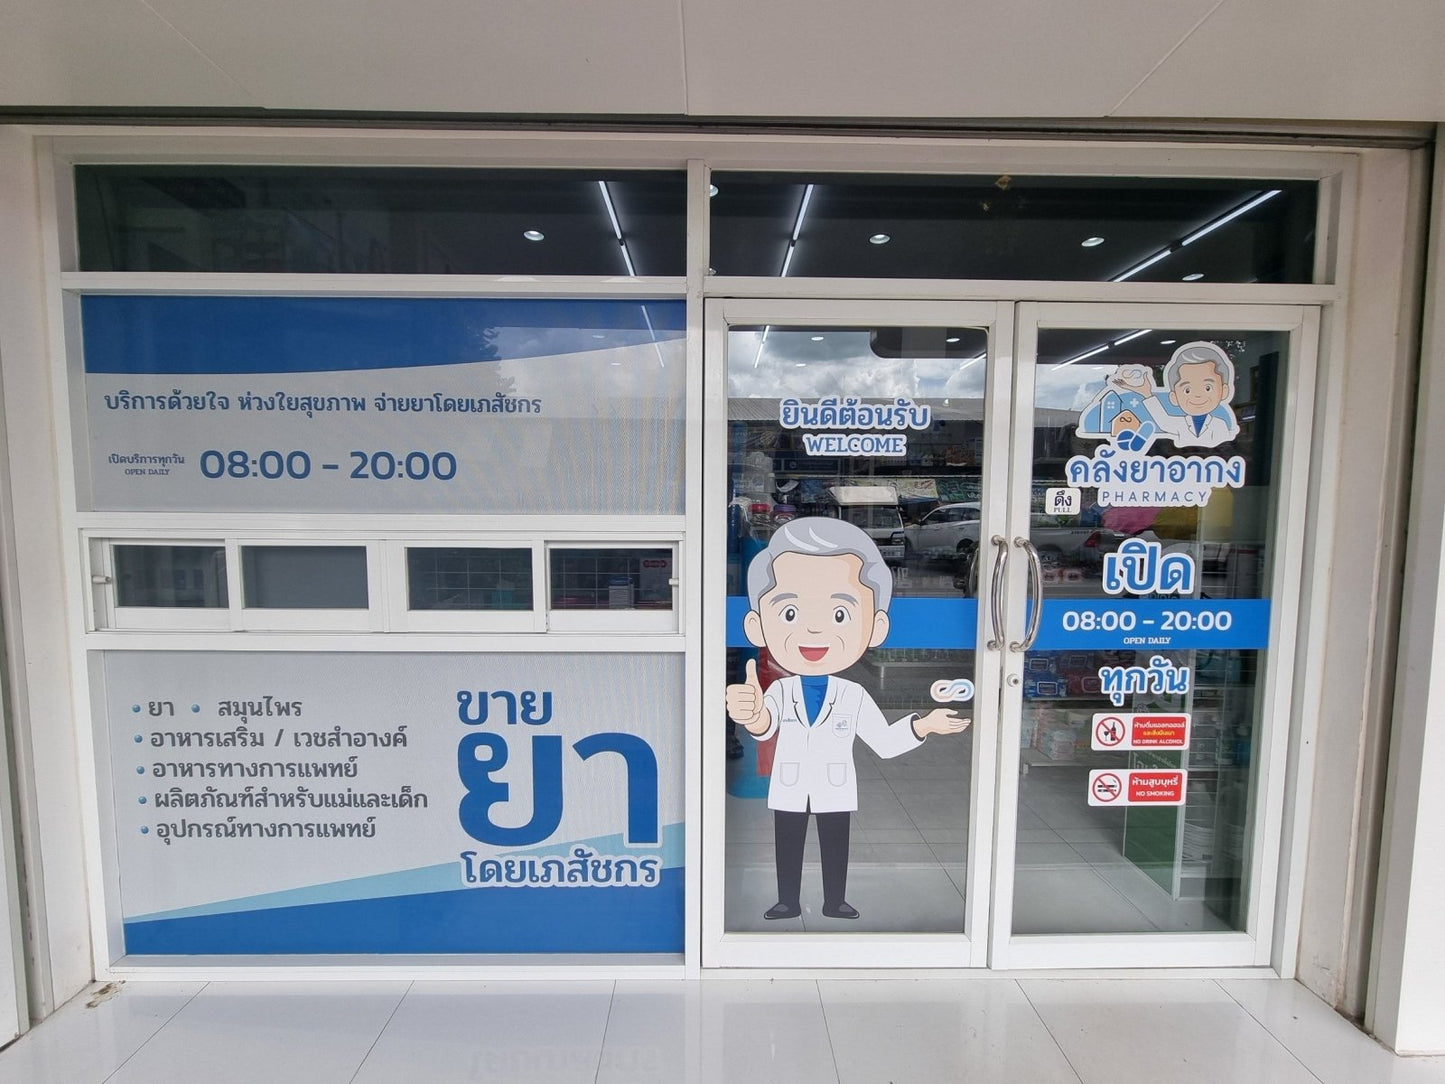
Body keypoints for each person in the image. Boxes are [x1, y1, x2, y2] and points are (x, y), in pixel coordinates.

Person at [725, 517, 968, 921]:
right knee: (788, 842)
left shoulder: (852, 695)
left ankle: (834, 901)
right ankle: (787, 901)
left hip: (834, 786)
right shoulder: (781, 690)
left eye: (840, 614)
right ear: (757, 624)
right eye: (790, 613)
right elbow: (765, 725)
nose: (814, 628)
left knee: (836, 844)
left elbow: (884, 742)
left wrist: (924, 724)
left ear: (876, 627)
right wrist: (750, 713)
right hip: (790, 784)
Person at [1107, 341, 1239, 448]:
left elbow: (1225, 447)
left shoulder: (1219, 425)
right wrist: (1147, 394)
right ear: (1174, 397)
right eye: (1187, 390)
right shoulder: (1180, 424)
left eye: (1207, 388)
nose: (1197, 396)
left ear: (1224, 391)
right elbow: (1163, 420)